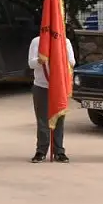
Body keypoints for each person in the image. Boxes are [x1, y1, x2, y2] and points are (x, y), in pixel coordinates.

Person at [28, 26, 76, 163]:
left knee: (59, 118)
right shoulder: (36, 42)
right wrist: (40, 60)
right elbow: (31, 63)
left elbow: (72, 62)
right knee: (42, 120)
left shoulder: (65, 41)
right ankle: (41, 150)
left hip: (59, 86)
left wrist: (59, 58)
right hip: (41, 86)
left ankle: (59, 151)